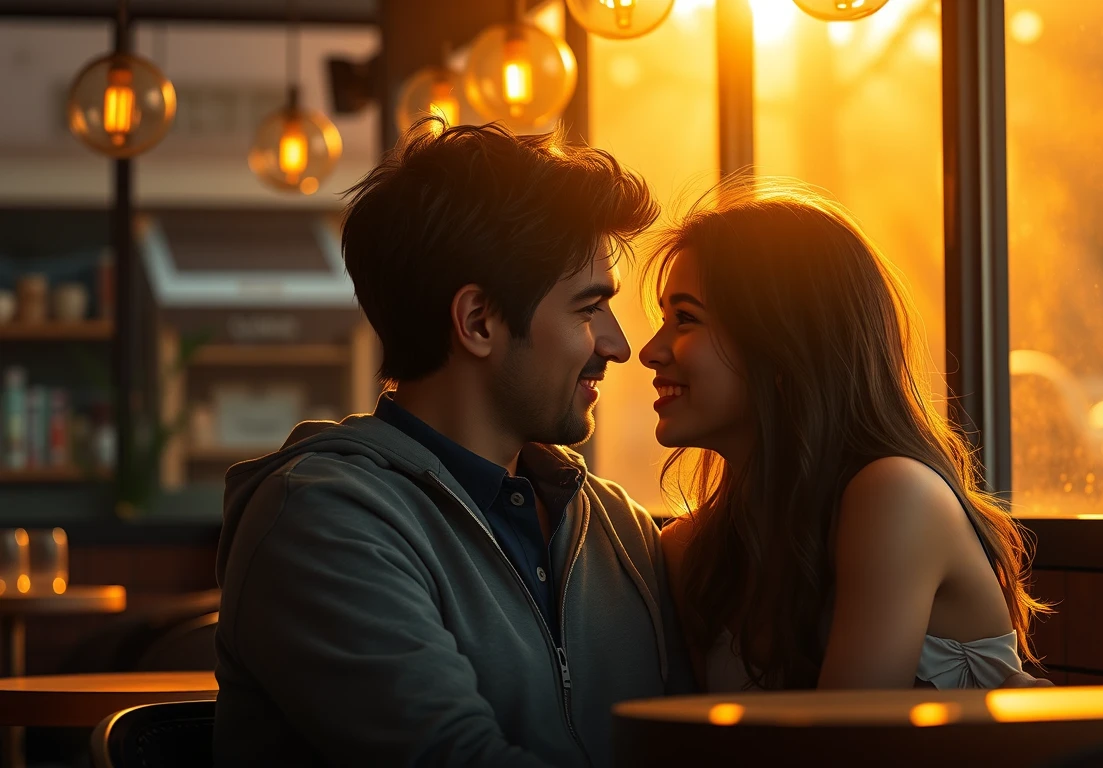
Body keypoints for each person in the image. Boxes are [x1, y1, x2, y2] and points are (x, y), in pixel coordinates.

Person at [213, 117, 691, 767]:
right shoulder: (322, 520)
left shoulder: (616, 527)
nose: (618, 345)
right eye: (587, 309)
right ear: (477, 322)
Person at [643, 179, 1050, 692]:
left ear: (782, 343)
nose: (650, 351)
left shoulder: (896, 494)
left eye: (685, 319)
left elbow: (845, 742)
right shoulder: (691, 552)